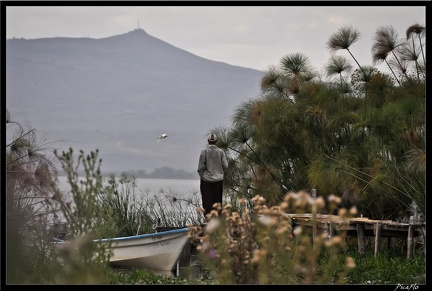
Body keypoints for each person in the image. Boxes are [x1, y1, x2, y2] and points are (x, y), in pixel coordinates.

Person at [197, 133, 228, 218]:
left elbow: (200, 168)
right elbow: (225, 165)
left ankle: (208, 220)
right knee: (217, 201)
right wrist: (220, 173)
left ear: (208, 141)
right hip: (218, 180)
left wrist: (203, 177)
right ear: (216, 141)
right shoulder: (221, 152)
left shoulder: (204, 152)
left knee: (207, 202)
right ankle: (217, 220)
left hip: (206, 181)